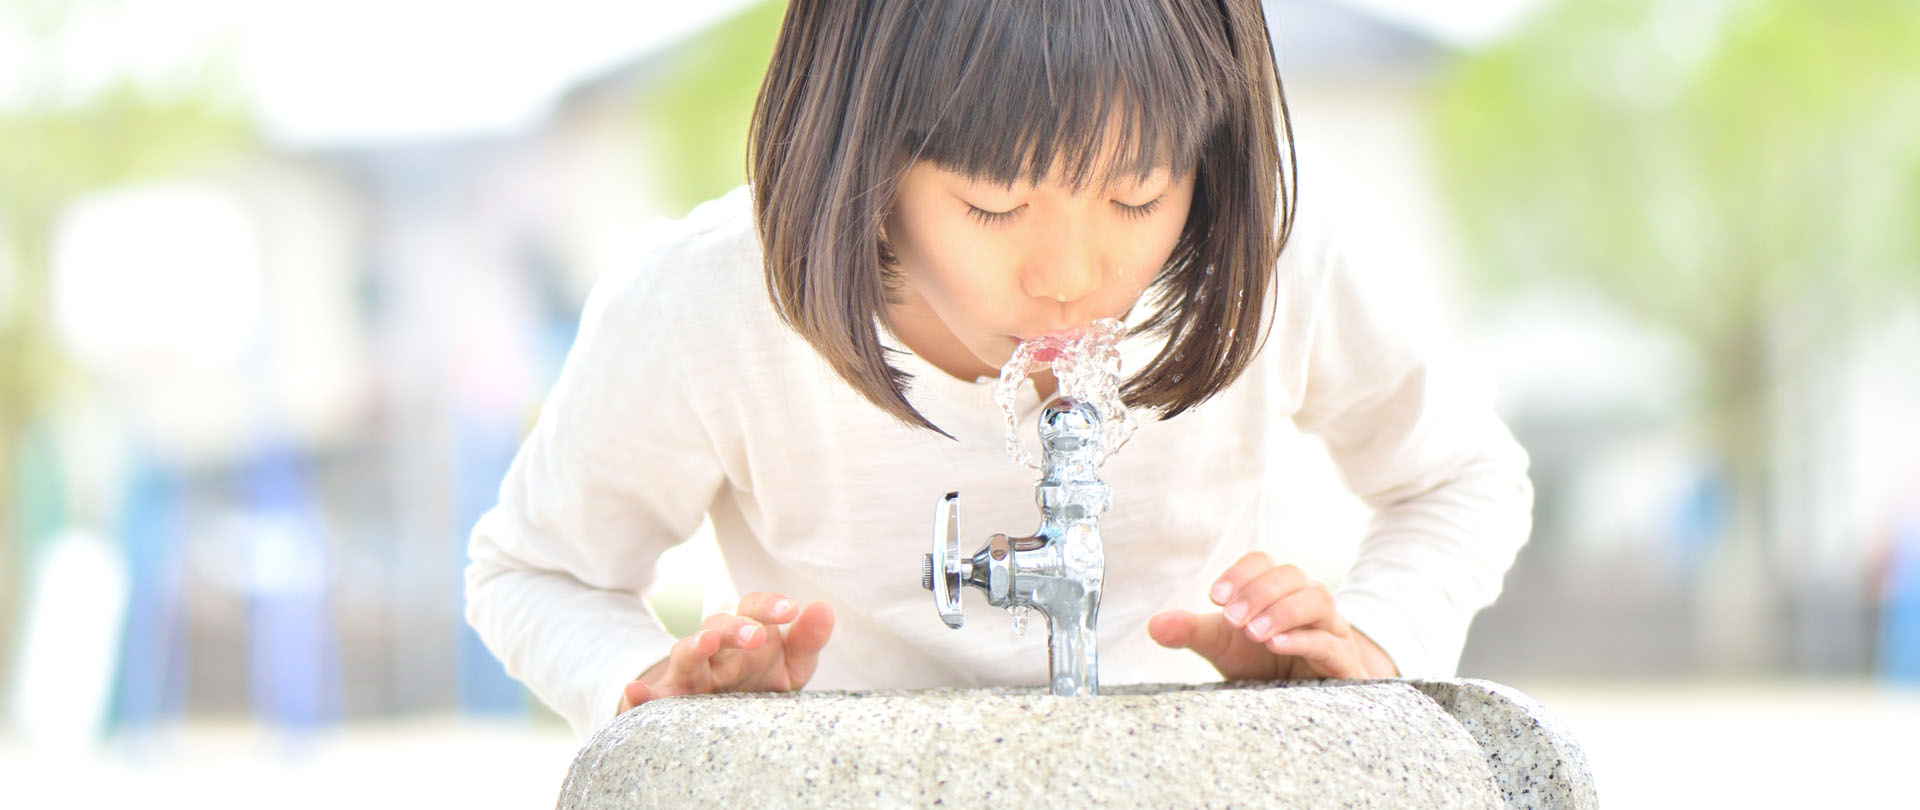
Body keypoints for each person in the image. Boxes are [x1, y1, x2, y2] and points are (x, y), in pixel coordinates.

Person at [465, 0, 1533, 740]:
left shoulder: (1274, 252)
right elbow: (535, 571)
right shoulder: (708, 300)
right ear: (861, 158)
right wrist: (647, 689)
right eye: (993, 208)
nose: (1071, 277)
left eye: (1136, 199)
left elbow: (1460, 480)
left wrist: (1369, 649)